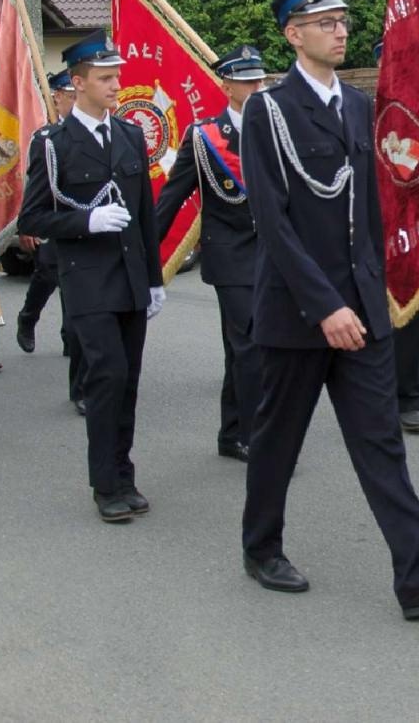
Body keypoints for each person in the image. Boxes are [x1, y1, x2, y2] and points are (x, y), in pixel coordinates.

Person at [238, 0, 419, 618]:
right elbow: (274, 222)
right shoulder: (267, 111)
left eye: (344, 19)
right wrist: (327, 307)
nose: (340, 29)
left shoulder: (362, 108)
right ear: (293, 35)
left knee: (382, 442)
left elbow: (385, 202)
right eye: (325, 22)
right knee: (278, 437)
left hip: (366, 308)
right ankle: (261, 546)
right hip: (301, 314)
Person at [18, 31, 164, 521]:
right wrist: (85, 221)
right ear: (77, 84)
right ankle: (105, 484)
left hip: (130, 278)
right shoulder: (54, 144)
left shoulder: (128, 134)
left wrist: (155, 277)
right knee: (107, 376)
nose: (116, 84)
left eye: (117, 75)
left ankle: (124, 473)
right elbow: (32, 219)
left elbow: (144, 210)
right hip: (87, 280)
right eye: (105, 77)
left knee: (130, 381)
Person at [154, 44, 265, 462]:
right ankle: (258, 438)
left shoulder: (276, 128)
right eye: (246, 80)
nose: (256, 86)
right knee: (252, 345)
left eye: (259, 79)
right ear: (226, 85)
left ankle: (231, 432)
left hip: (272, 256)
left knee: (247, 347)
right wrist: (148, 254)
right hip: (231, 256)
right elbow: (173, 197)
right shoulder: (204, 137)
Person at [372, 37, 419, 434]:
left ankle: (413, 391)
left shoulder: (418, 113)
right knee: (399, 318)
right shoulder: (376, 115)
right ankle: (397, 399)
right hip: (382, 232)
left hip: (415, 228)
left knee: (416, 316)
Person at [16, 71, 85, 414]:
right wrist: (27, 226)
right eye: (69, 95)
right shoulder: (44, 137)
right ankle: (28, 317)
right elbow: (35, 186)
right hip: (55, 225)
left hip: (84, 229)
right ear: (57, 97)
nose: (75, 100)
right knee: (45, 277)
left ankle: (71, 342)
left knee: (76, 295)